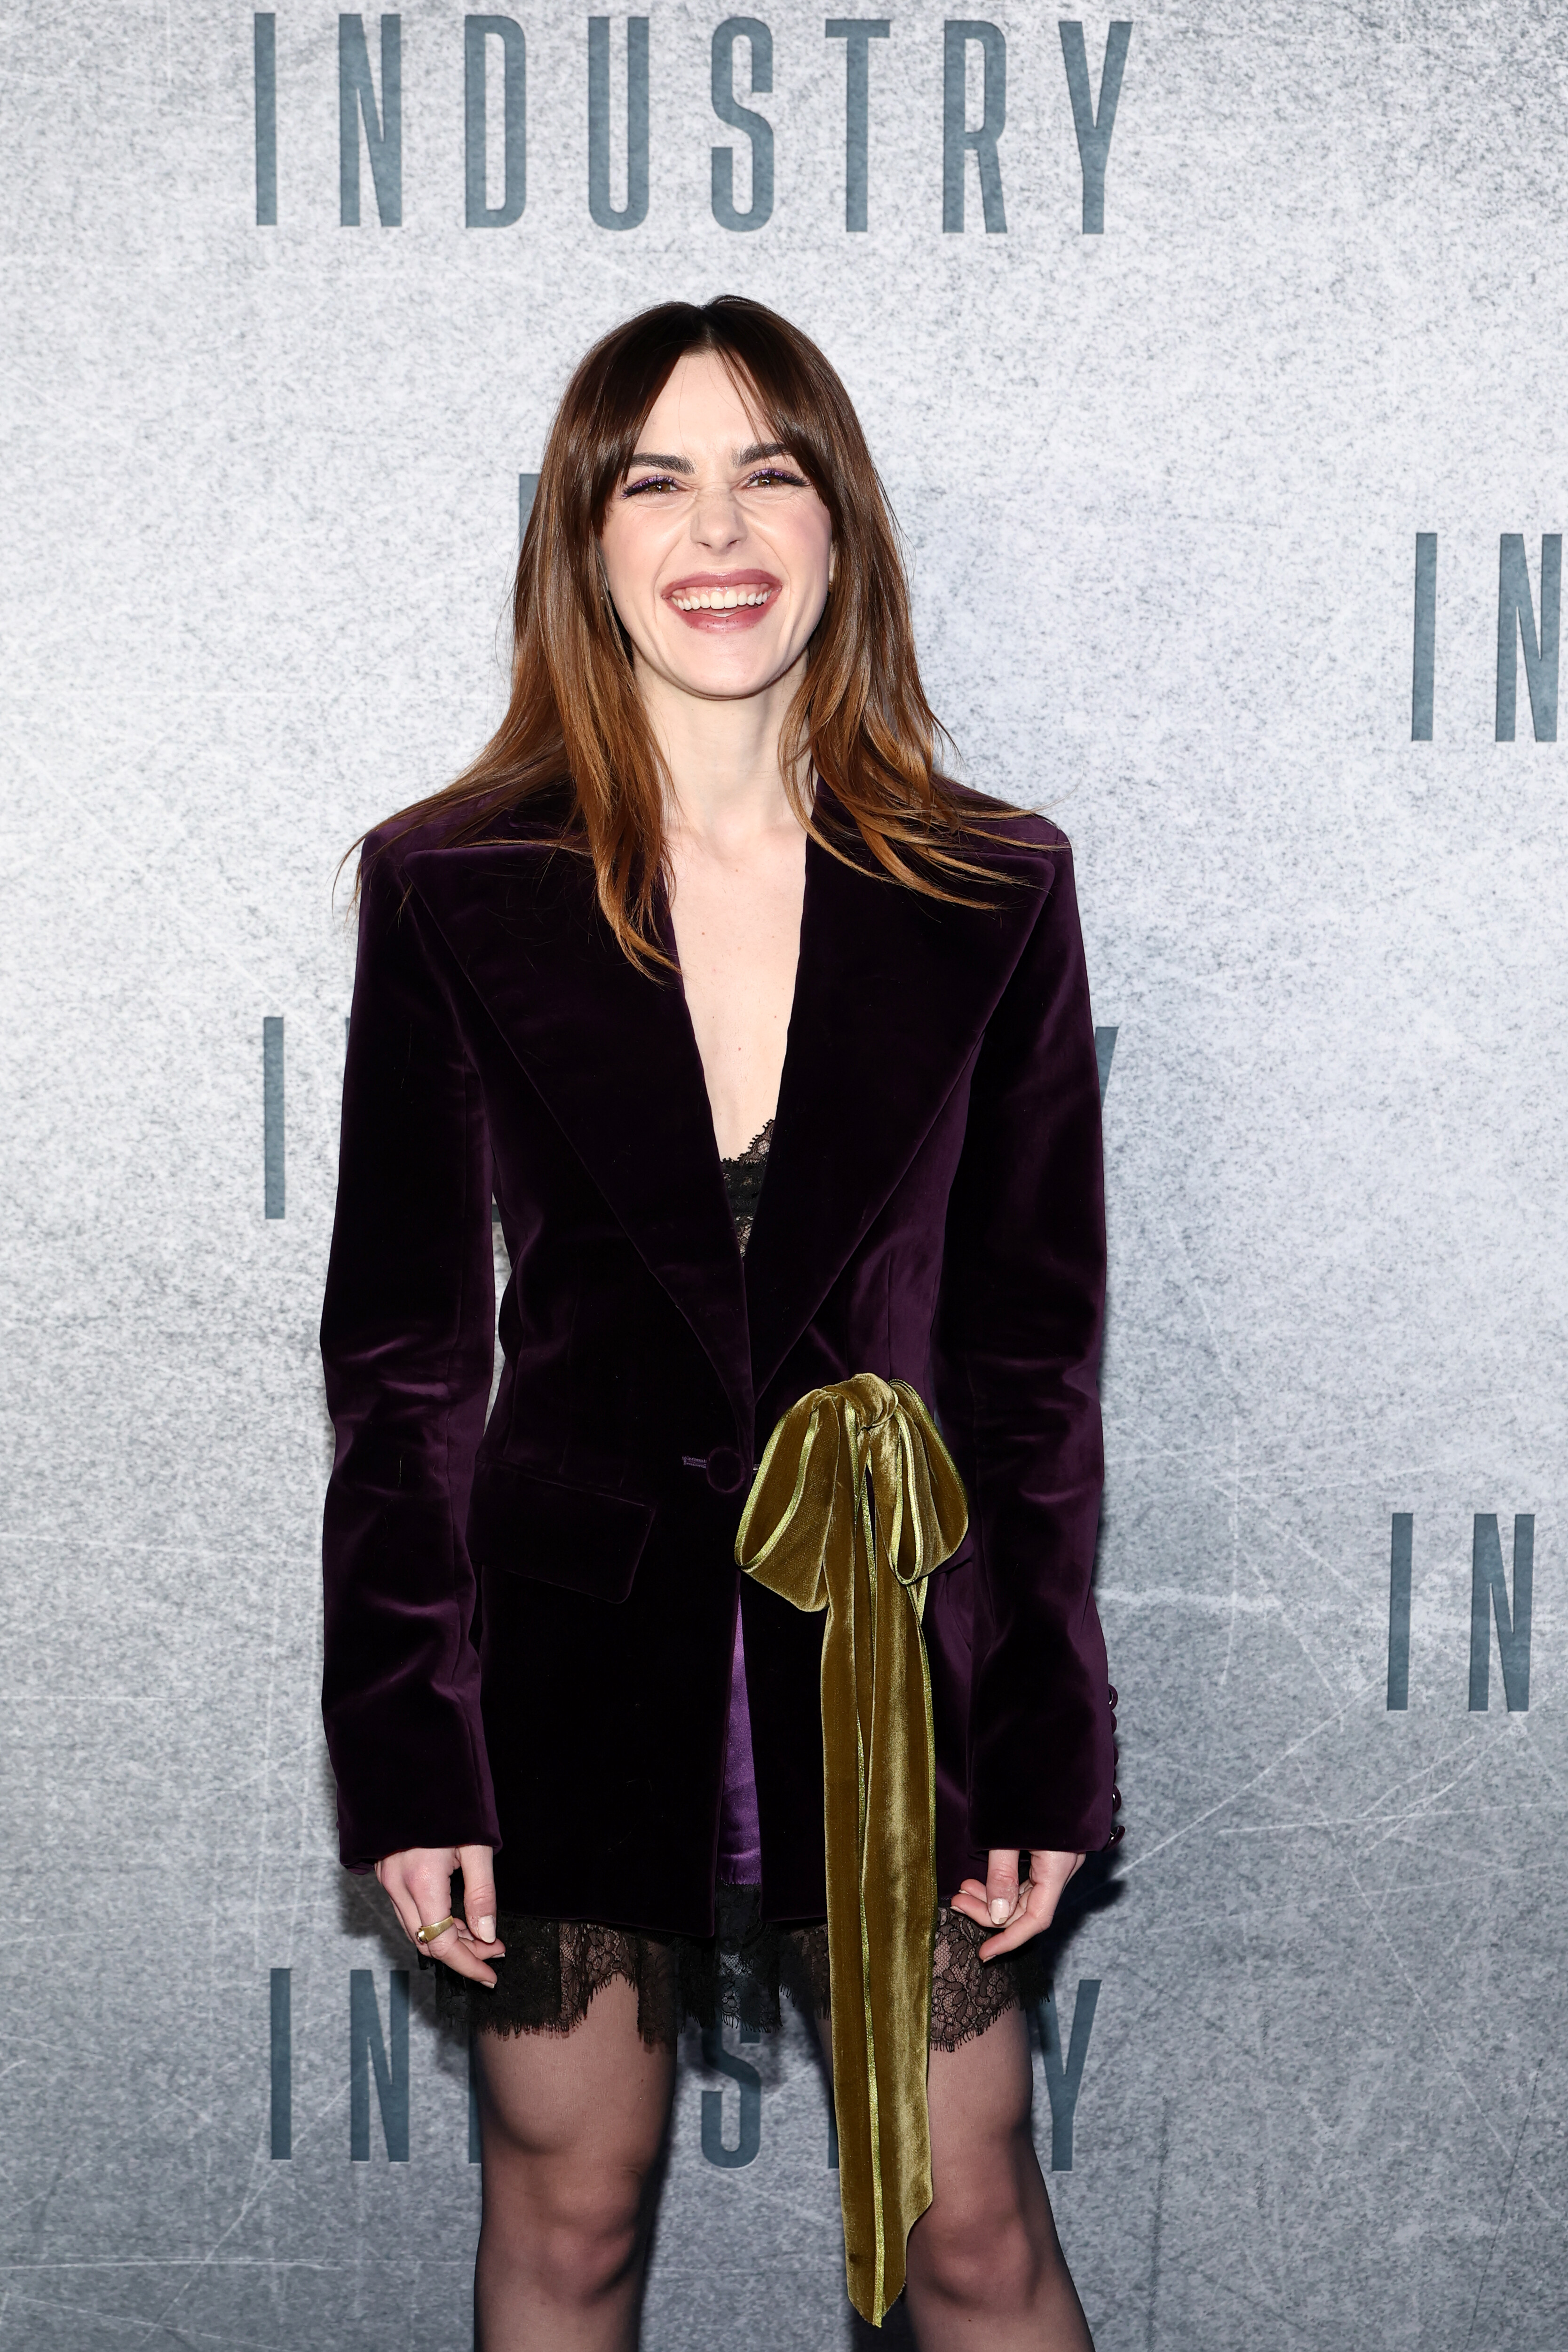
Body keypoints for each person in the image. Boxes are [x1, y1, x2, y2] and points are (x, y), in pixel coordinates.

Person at [320, 295, 1119, 2351]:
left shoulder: (995, 887)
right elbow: (406, 1368)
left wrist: (1046, 1733)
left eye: (771, 472)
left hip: (901, 1653)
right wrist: (411, 1742)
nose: (719, 529)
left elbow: (1032, 1366)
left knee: (972, 2233)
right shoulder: (448, 885)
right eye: (655, 480)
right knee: (570, 2220)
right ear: (583, 538)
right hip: (571, 1659)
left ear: (839, 523)